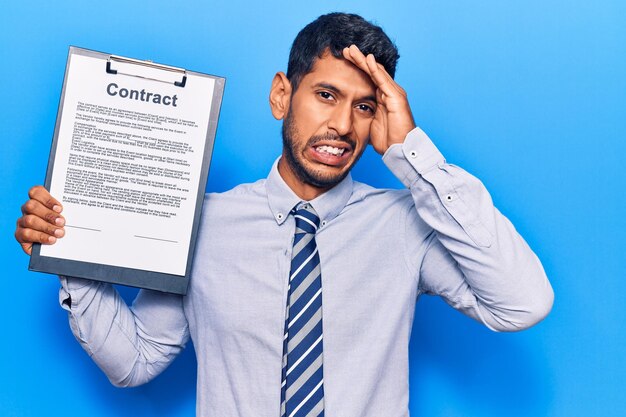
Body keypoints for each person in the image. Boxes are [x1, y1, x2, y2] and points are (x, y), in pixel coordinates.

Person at [15, 12, 553, 417]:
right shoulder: (200, 224)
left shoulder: (406, 224)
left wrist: (411, 151)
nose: (342, 125)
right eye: (326, 95)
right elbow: (134, 362)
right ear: (281, 95)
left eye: (364, 106)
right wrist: (73, 253)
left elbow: (522, 304)